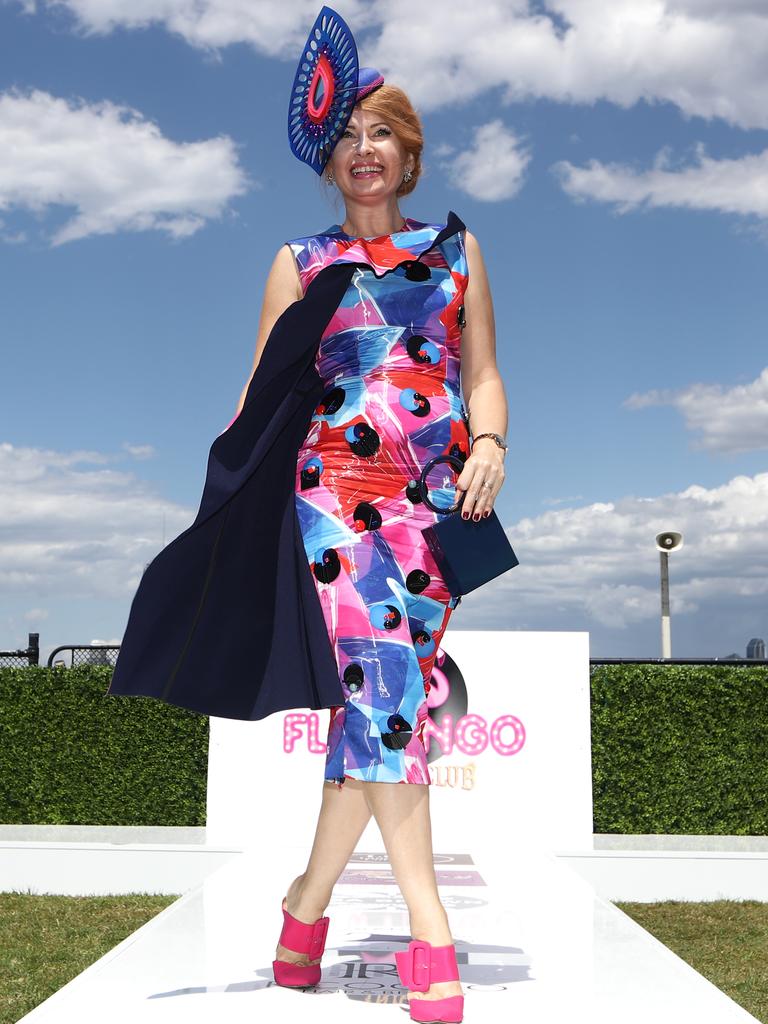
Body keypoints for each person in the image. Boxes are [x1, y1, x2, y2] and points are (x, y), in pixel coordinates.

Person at [259, 9, 509, 1022]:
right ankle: (430, 933)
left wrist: (489, 444)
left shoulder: (455, 253)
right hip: (332, 506)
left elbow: (483, 374)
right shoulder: (299, 260)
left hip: (431, 509)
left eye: (385, 132)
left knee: (378, 709)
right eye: (351, 133)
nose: (366, 149)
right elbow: (263, 393)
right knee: (389, 693)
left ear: (407, 155)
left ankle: (305, 908)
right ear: (331, 157)